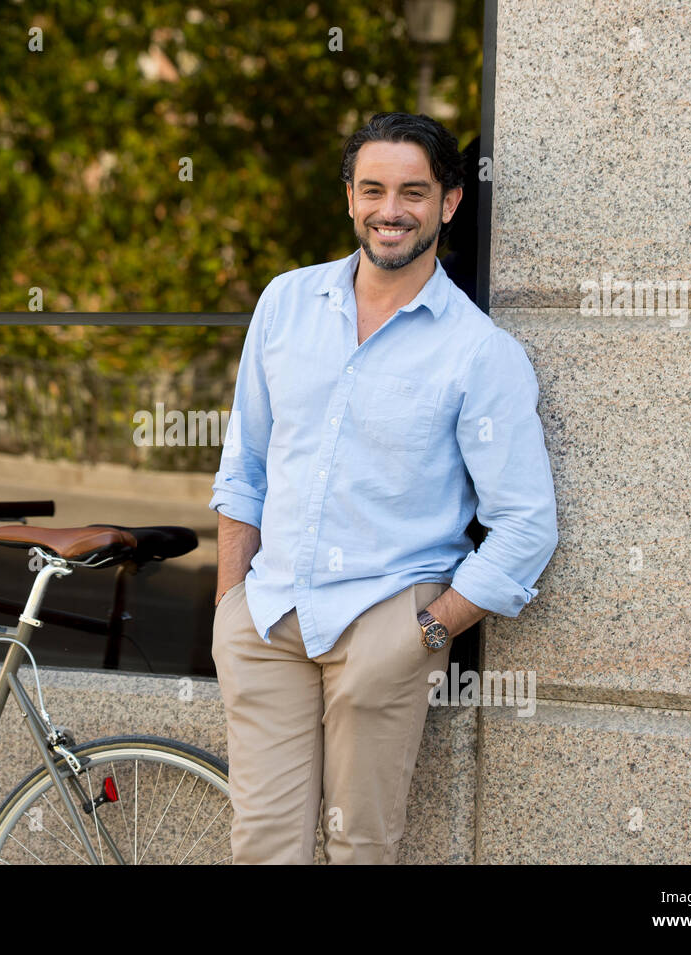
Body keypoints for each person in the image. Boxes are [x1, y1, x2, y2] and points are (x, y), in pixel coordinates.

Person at [209, 112, 558, 864]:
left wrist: (425, 634)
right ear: (349, 198)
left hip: (384, 625)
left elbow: (526, 526)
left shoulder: (480, 355)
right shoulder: (285, 304)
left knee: (361, 847)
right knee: (262, 847)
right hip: (267, 622)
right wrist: (228, 607)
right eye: (373, 189)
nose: (390, 209)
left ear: (449, 202)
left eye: (413, 191)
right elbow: (245, 469)